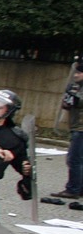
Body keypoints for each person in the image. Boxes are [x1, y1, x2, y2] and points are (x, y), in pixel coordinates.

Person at [47, 62, 83, 207]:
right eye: (75, 72)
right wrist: (68, 98)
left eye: (79, 73)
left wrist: (73, 96)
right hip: (76, 126)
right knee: (79, 159)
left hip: (81, 128)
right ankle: (78, 188)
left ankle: (73, 189)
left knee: (74, 159)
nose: (75, 75)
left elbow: (79, 101)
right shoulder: (75, 87)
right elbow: (67, 103)